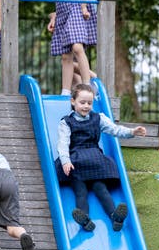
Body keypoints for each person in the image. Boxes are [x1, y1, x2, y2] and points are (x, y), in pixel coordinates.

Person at [55, 84, 146, 232]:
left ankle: (115, 217)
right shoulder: (66, 122)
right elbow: (62, 143)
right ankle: (84, 219)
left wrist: (131, 131)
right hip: (76, 161)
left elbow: (114, 129)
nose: (86, 106)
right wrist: (65, 161)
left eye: (89, 103)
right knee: (80, 190)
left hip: (94, 160)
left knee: (101, 188)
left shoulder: (99, 118)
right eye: (82, 102)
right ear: (73, 101)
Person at [40, 0, 96, 97]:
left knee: (77, 47)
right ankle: (65, 92)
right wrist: (55, 17)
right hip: (64, 15)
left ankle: (86, 86)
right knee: (66, 55)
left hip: (75, 10)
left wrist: (83, 6)